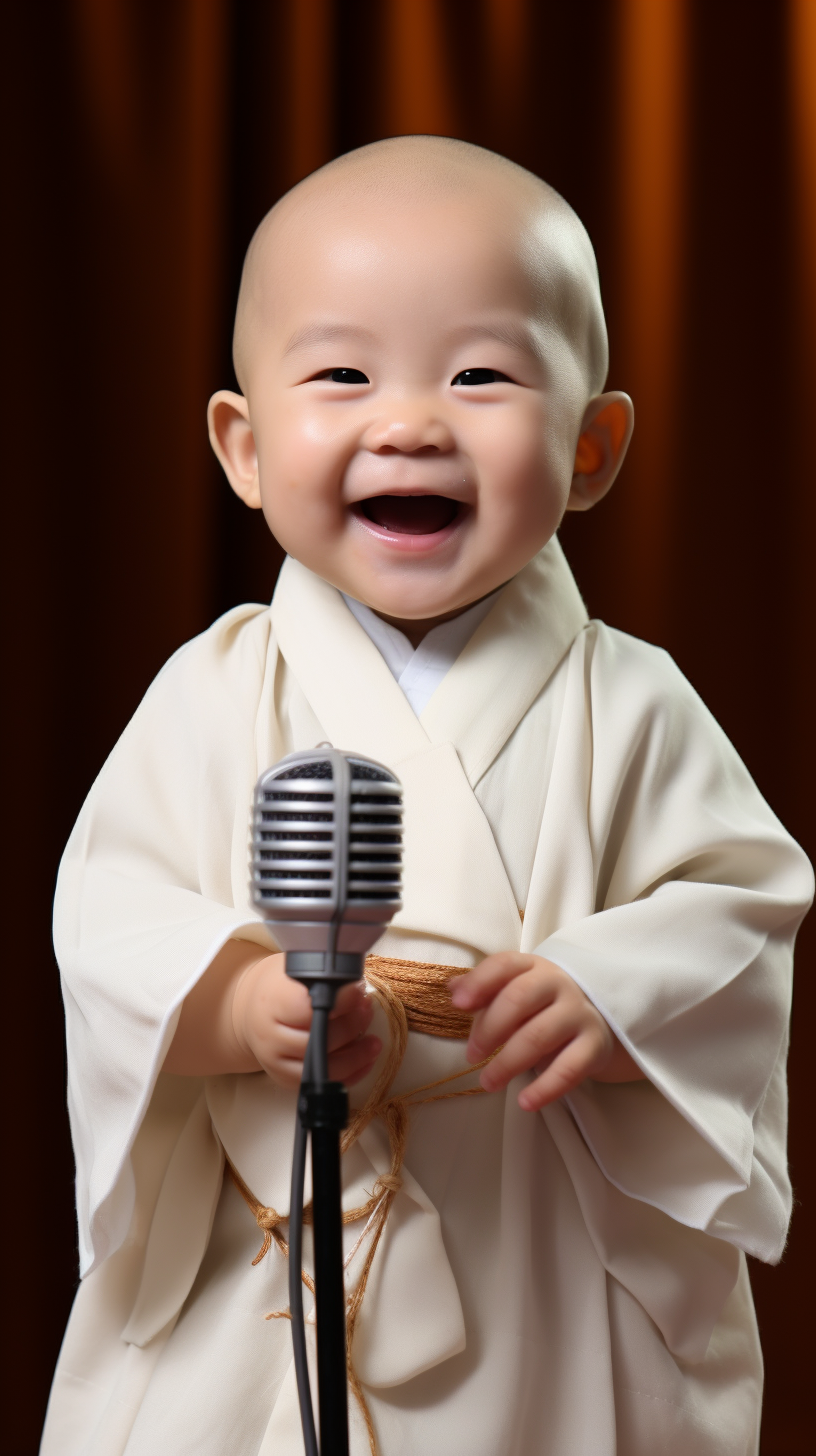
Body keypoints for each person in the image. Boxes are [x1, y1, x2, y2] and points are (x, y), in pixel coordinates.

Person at [42, 136, 812, 1456]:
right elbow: (106, 920)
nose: (409, 421)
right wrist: (233, 1003)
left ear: (592, 444)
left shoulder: (629, 703)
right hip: (274, 1239)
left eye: (482, 374)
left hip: (541, 1236)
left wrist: (610, 994)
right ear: (242, 443)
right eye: (341, 374)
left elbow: (741, 907)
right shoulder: (213, 693)